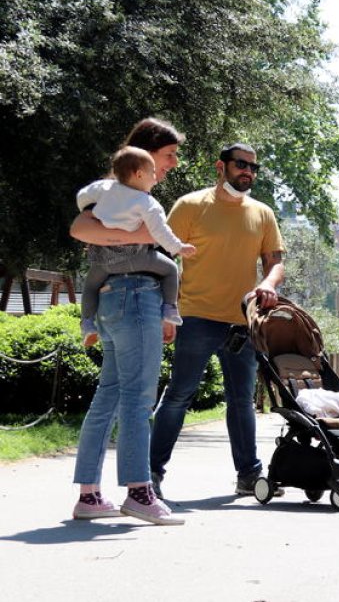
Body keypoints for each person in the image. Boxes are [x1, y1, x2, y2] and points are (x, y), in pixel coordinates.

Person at [148, 142, 286, 499]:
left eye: (254, 168)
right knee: (179, 395)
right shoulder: (190, 206)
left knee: (242, 401)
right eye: (241, 165)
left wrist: (268, 284)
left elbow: (275, 262)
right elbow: (160, 258)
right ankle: (150, 475)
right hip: (195, 317)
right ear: (220, 166)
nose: (248, 172)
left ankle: (248, 475)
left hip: (243, 322)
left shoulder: (262, 213)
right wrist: (165, 309)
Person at [68, 118, 186, 525]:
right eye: (167, 156)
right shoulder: (133, 198)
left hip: (111, 299)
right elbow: (78, 229)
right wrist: (144, 240)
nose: (171, 164)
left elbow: (88, 227)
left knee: (109, 396)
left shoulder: (108, 195)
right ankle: (139, 491)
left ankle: (89, 495)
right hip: (136, 295)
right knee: (138, 399)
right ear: (145, 155)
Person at [76, 147, 196, 345]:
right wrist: (179, 247)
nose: (156, 178)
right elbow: (161, 232)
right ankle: (170, 309)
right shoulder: (147, 202)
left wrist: (89, 209)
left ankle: (87, 323)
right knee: (171, 269)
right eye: (152, 173)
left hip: (104, 262)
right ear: (139, 174)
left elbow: (82, 196)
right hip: (137, 258)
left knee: (89, 286)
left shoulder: (102, 189)